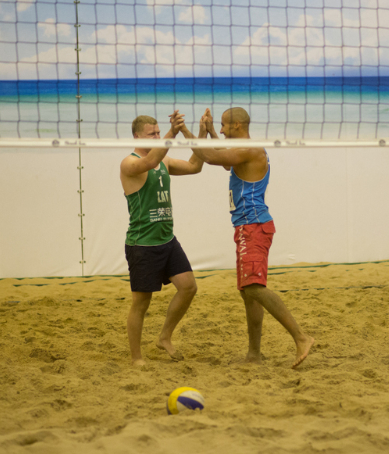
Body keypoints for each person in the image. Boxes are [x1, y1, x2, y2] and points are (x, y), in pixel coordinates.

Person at [190, 107, 315, 368]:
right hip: (247, 226)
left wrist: (185, 132)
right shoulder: (243, 150)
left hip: (254, 225)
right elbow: (226, 161)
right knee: (249, 292)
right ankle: (254, 354)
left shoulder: (250, 149)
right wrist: (210, 131)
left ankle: (301, 337)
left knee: (254, 287)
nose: (221, 130)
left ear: (237, 125)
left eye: (223, 126)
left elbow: (211, 158)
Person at [120, 111, 203, 367]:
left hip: (167, 240)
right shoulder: (129, 163)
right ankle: (136, 358)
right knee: (141, 304)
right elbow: (151, 160)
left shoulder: (163, 161)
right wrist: (172, 132)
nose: (157, 137)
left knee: (188, 287)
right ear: (136, 137)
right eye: (151, 134)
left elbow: (195, 166)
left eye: (158, 133)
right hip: (142, 244)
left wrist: (200, 132)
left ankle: (164, 337)